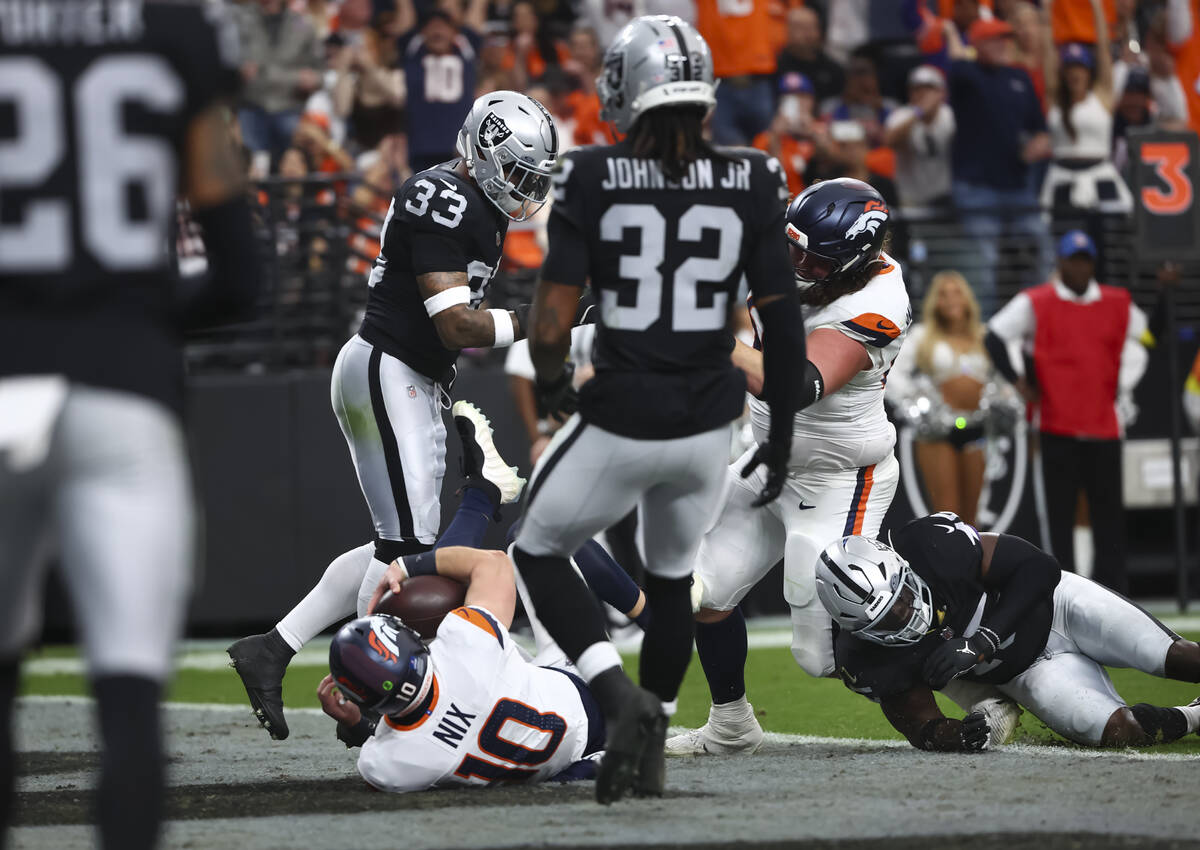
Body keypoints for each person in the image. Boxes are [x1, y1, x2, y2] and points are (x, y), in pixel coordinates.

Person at [511, 15, 805, 804]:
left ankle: (620, 700)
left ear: (627, 90)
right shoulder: (753, 175)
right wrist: (779, 432)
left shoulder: (591, 174)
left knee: (537, 548)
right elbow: (782, 322)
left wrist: (553, 387)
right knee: (673, 582)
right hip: (710, 426)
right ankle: (657, 730)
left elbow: (550, 323)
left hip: (623, 412)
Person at [0, 1, 259, 847]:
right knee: (129, 699)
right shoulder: (173, 30)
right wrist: (133, 323)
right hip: (123, 391)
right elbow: (239, 276)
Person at [228, 91, 558, 741]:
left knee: (403, 545)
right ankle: (363, 691)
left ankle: (274, 648)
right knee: (410, 552)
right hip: (389, 368)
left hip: (410, 375)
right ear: (484, 153)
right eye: (518, 172)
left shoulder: (477, 203)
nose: (525, 190)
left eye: (533, 177)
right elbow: (456, 324)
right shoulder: (445, 197)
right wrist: (546, 320)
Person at [666, 178, 910, 757]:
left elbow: (794, 385)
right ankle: (731, 724)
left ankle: (979, 673)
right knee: (706, 591)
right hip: (768, 460)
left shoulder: (877, 302)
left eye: (814, 259)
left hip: (840, 477)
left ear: (854, 258)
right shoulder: (784, 248)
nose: (796, 264)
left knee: (822, 651)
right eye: (791, 247)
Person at [816, 513, 1200, 750]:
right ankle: (1194, 716)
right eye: (886, 621)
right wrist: (954, 735)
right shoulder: (863, 657)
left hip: (1060, 608)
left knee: (1177, 657)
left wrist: (981, 641)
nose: (905, 616)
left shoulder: (930, 545)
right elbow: (921, 725)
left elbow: (1040, 568)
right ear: (859, 630)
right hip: (1027, 673)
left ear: (901, 566)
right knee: (1118, 731)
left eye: (901, 598)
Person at [985, 230, 1147, 592]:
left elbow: (1149, 335)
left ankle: (1114, 592)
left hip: (1104, 426)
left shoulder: (1117, 301)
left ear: (1093, 263)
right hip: (1056, 424)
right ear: (1060, 262)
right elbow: (993, 336)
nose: (1080, 267)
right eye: (1073, 260)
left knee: (1109, 516)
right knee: (1059, 516)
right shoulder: (1036, 301)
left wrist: (1165, 295)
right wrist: (1019, 382)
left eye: (1085, 260)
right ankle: (1065, 592)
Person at [945, 16, 1052, 315]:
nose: (1004, 44)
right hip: (976, 187)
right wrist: (953, 33)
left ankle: (1040, 320)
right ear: (978, 45)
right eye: (995, 39)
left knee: (1041, 251)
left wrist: (1039, 143)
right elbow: (956, 60)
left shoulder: (1020, 78)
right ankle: (982, 329)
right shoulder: (966, 73)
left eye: (1005, 39)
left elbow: (1040, 128)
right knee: (984, 263)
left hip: (1017, 185)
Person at [886, 271, 991, 526]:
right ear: (935, 302)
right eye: (943, 294)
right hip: (936, 433)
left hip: (976, 430)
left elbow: (1006, 376)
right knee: (947, 513)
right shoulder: (922, 336)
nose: (951, 299)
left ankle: (971, 555)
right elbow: (892, 374)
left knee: (972, 517)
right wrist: (917, 405)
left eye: (956, 293)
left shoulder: (983, 336)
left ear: (967, 298)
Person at [1041, 1, 1133, 222]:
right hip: (1061, 178)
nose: (1075, 73)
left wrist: (1097, 8)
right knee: (1061, 234)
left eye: (1080, 67)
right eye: (1070, 68)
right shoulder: (1056, 99)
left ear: (1089, 71)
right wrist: (1048, 11)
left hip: (1100, 175)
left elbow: (1103, 51)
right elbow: (1047, 52)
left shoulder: (1101, 97)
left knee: (1111, 234)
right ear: (1063, 72)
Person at [396, 0, 487, 172]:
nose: (437, 31)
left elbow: (477, 9)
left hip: (459, 146)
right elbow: (404, 14)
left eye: (443, 27)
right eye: (431, 27)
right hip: (420, 147)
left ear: (454, 33)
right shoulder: (413, 49)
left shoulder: (466, 47)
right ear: (422, 33)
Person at [234, 0, 326, 158]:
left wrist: (314, 80)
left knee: (292, 163)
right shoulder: (240, 19)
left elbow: (320, 73)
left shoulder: (303, 24)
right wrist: (236, 71)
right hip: (251, 107)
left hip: (289, 108)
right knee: (250, 165)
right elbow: (226, 60)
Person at [884, 64, 955, 211]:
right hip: (910, 199)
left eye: (929, 88)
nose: (923, 93)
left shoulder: (950, 115)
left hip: (946, 197)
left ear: (942, 92)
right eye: (917, 89)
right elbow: (889, 141)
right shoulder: (901, 115)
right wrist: (919, 113)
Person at [776, 6, 846, 105]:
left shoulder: (834, 70)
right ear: (787, 30)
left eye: (813, 27)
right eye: (801, 28)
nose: (808, 34)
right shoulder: (775, 68)